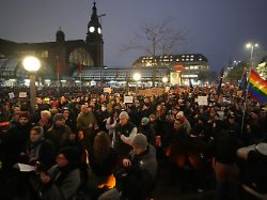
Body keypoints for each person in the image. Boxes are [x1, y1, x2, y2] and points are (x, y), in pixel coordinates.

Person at [99, 133, 157, 200]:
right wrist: (126, 159)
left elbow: (143, 184)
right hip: (123, 187)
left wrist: (128, 174)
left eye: (136, 148)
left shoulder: (151, 163)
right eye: (133, 148)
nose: (133, 150)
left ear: (142, 148)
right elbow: (130, 155)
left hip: (134, 193)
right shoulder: (138, 150)